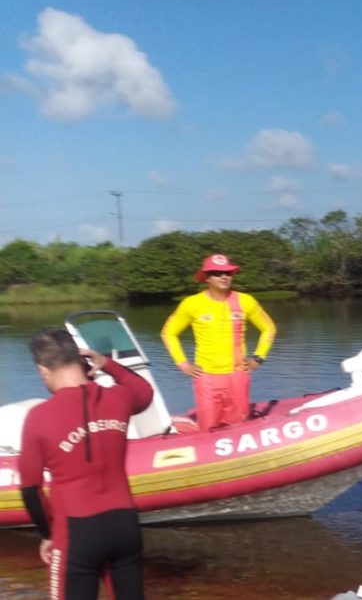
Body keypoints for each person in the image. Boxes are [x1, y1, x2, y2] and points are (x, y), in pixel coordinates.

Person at [19, 328, 153, 600]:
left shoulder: (39, 417)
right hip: (124, 526)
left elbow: (30, 488)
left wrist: (47, 535)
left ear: (42, 368)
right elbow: (144, 391)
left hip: (76, 534)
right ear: (81, 359)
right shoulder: (118, 398)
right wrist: (107, 364)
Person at [161, 253, 277, 431]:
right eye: (217, 273)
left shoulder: (246, 301)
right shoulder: (191, 303)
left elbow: (269, 328)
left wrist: (258, 358)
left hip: (238, 374)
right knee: (208, 428)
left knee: (239, 426)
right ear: (207, 277)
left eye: (228, 273)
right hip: (207, 377)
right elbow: (168, 333)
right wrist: (183, 364)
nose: (224, 277)